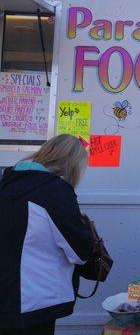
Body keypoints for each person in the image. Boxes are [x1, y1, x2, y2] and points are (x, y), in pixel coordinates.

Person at [0, 134, 93, 335]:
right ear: (72, 165)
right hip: (35, 302)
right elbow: (81, 252)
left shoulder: (7, 183)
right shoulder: (56, 191)